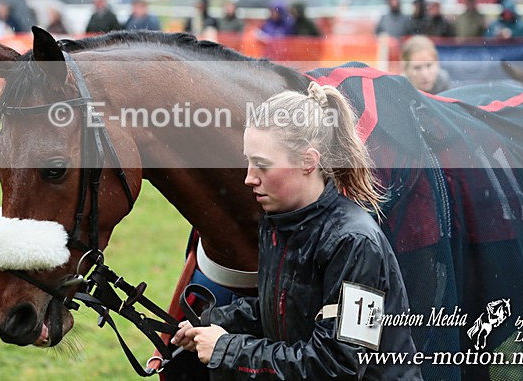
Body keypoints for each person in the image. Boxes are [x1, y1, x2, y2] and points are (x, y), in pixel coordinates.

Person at [172, 82, 422, 379]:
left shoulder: (355, 243)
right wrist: (213, 321)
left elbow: (340, 366)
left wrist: (227, 348)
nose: (249, 178)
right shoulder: (278, 222)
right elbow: (286, 311)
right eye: (248, 162)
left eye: (262, 165)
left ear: (308, 162)